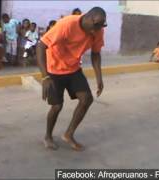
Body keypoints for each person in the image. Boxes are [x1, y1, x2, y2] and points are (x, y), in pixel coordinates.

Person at [37, 7, 107, 151]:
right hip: (54, 69)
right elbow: (41, 46)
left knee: (87, 99)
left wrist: (99, 77)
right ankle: (48, 136)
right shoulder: (66, 24)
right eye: (95, 26)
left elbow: (96, 54)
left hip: (73, 69)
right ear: (88, 17)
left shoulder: (98, 29)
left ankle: (68, 134)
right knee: (57, 106)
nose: (96, 31)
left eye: (100, 27)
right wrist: (45, 77)